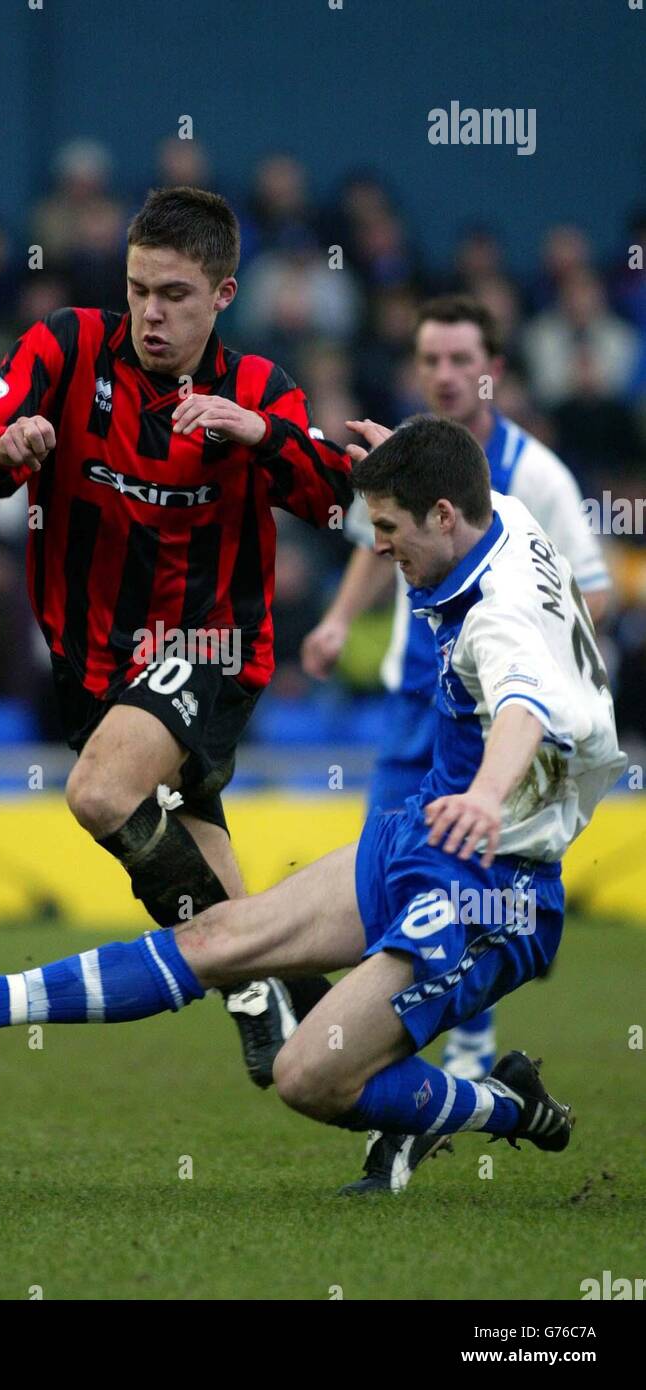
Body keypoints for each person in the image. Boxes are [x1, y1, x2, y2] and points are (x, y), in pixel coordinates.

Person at [0, 416, 626, 1199]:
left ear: (443, 516)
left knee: (307, 1074)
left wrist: (485, 793)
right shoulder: (498, 513)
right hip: (426, 832)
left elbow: (523, 705)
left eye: (389, 528)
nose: (378, 547)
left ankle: (502, 1107)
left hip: (495, 886)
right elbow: (447, 477)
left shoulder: (500, 617)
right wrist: (382, 456)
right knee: (221, 934)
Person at [0, 186, 353, 1085]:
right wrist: (1, 452)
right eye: (139, 289)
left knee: (97, 794)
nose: (151, 313)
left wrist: (260, 434)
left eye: (175, 295)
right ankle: (400, 1091)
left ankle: (246, 994)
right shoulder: (68, 345)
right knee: (254, 927)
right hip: (95, 670)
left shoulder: (258, 389)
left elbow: (337, 495)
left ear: (224, 294)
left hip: (212, 650)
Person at [302, 296, 611, 1094]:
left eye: (458, 359)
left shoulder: (535, 473)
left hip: (495, 720)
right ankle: (387, 1067)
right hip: (415, 707)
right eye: (428, 359)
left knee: (462, 897)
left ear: (493, 370)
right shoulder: (415, 456)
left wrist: (529, 649)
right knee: (396, 892)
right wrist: (338, 622)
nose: (442, 374)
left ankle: (464, 1064)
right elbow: (378, 546)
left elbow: (596, 589)